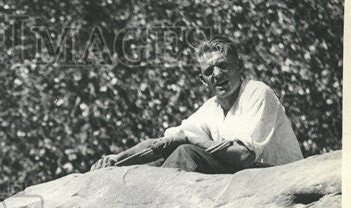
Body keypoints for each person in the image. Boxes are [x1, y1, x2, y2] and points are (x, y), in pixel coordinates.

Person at [92, 37, 303, 173]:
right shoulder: (211, 109)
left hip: (276, 176)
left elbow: (244, 156)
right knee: (159, 160)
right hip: (245, 179)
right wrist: (117, 159)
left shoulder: (256, 92)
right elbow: (162, 143)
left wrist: (195, 139)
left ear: (239, 67)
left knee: (186, 153)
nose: (217, 75)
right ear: (203, 80)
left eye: (223, 65)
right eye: (209, 71)